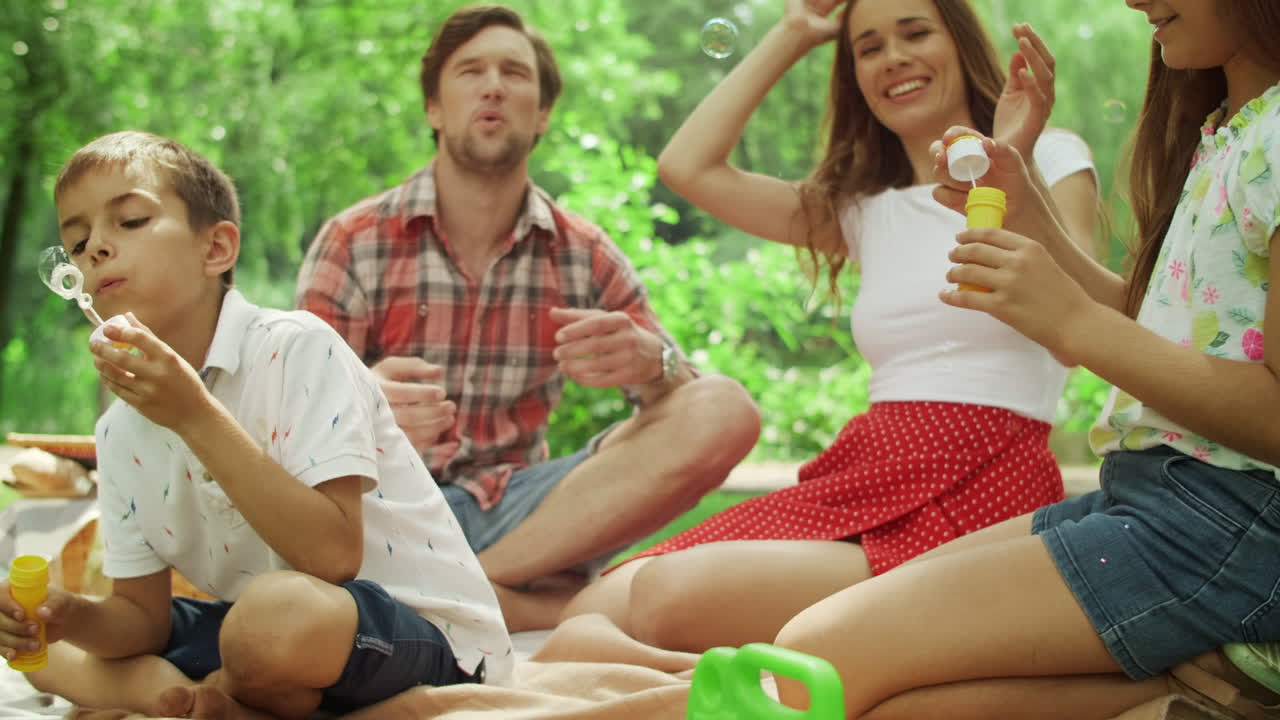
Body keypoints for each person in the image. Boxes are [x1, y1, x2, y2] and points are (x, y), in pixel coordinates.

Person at [769, 0, 1280, 717]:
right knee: (879, 696)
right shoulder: (1232, 127)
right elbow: (1168, 327)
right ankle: (1183, 693)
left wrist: (1071, 324)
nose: (1132, 1)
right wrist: (1026, 210)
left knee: (814, 658)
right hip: (1160, 497)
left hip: (1231, 528)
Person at [560, 0, 1099, 652]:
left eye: (914, 32)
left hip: (982, 475)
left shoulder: (1049, 157)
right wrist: (793, 33)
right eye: (868, 47)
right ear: (855, 77)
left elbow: (1084, 316)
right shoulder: (862, 211)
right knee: (586, 614)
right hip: (869, 467)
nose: (893, 57)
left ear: (960, 45)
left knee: (663, 599)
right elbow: (687, 167)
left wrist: (1008, 163)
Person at [0, 131, 512, 720]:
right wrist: (66, 615)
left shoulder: (297, 349)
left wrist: (192, 414)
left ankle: (213, 692)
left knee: (274, 619)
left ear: (216, 249)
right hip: (266, 627)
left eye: (132, 220)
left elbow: (331, 556)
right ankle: (209, 698)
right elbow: (142, 619)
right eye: (79, 240)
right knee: (48, 654)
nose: (96, 250)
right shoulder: (120, 430)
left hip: (418, 633)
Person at [294, 4, 761, 632]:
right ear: (434, 107)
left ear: (541, 114)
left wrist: (659, 364)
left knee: (724, 407)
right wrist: (360, 403)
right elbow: (284, 427)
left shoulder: (583, 254)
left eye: (514, 73)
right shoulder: (353, 241)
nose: (493, 85)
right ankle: (531, 606)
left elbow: (693, 409)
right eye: (471, 71)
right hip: (388, 514)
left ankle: (465, 591)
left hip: (523, 514)